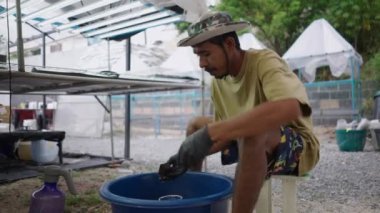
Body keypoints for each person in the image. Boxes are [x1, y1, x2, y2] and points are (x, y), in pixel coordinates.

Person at [158, 11, 320, 213]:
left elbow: (290, 108)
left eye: (206, 54)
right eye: (198, 56)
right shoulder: (218, 81)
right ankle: (194, 201)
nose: (202, 64)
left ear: (229, 44)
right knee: (196, 125)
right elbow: (225, 136)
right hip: (252, 140)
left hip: (298, 147)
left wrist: (213, 133)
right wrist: (185, 155)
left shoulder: (264, 61)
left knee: (251, 133)